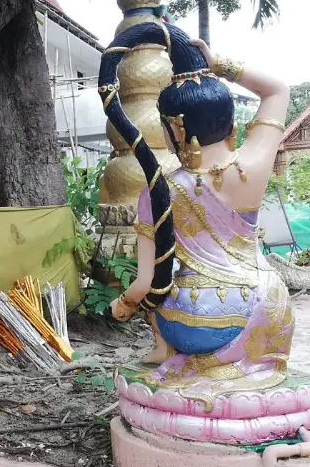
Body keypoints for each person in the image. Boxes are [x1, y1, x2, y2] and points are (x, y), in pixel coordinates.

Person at [99, 22, 292, 401]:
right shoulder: (250, 168)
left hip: (192, 325)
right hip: (267, 314)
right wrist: (218, 64)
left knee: (157, 293)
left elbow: (145, 284)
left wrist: (119, 307)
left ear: (173, 129)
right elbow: (278, 90)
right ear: (231, 122)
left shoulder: (157, 189)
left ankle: (162, 351)